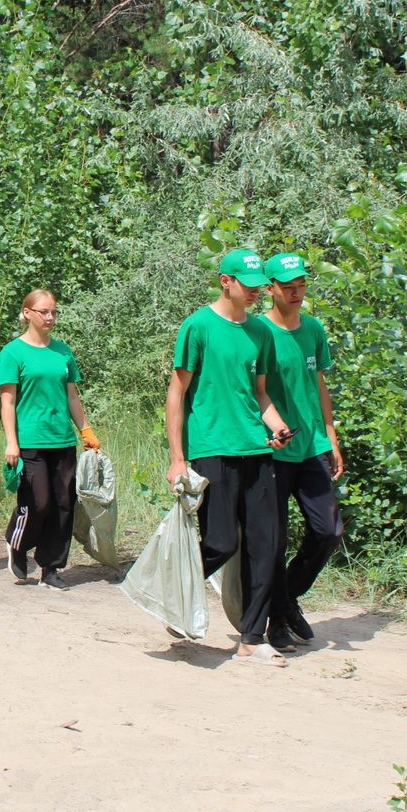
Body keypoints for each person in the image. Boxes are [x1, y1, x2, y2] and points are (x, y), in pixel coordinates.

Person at [164, 248, 293, 666]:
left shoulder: (261, 333)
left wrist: (276, 426)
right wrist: (177, 458)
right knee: (219, 543)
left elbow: (259, 394)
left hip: (256, 451)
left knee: (265, 544)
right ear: (225, 281)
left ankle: (252, 638)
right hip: (211, 448)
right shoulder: (198, 326)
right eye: (248, 285)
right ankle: (174, 594)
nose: (255, 292)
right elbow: (177, 393)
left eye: (259, 286)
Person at [259, 253, 345, 651]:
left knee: (328, 531)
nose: (296, 293)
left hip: (311, 446)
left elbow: (319, 384)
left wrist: (331, 435)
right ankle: (276, 620)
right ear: (270, 288)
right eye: (288, 287)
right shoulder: (258, 331)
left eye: (301, 286)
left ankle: (287, 599)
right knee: (274, 539)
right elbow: (249, 392)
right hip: (274, 450)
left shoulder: (313, 329)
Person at [0, 289, 99, 590]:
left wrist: (86, 430)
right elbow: (8, 402)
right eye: (44, 311)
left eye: (54, 311)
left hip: (62, 439)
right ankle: (18, 543)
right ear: (27, 313)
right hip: (30, 440)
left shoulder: (62, 351)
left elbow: (71, 395)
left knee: (64, 504)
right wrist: (11, 442)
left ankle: (51, 566)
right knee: (38, 502)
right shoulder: (13, 352)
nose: (50, 317)